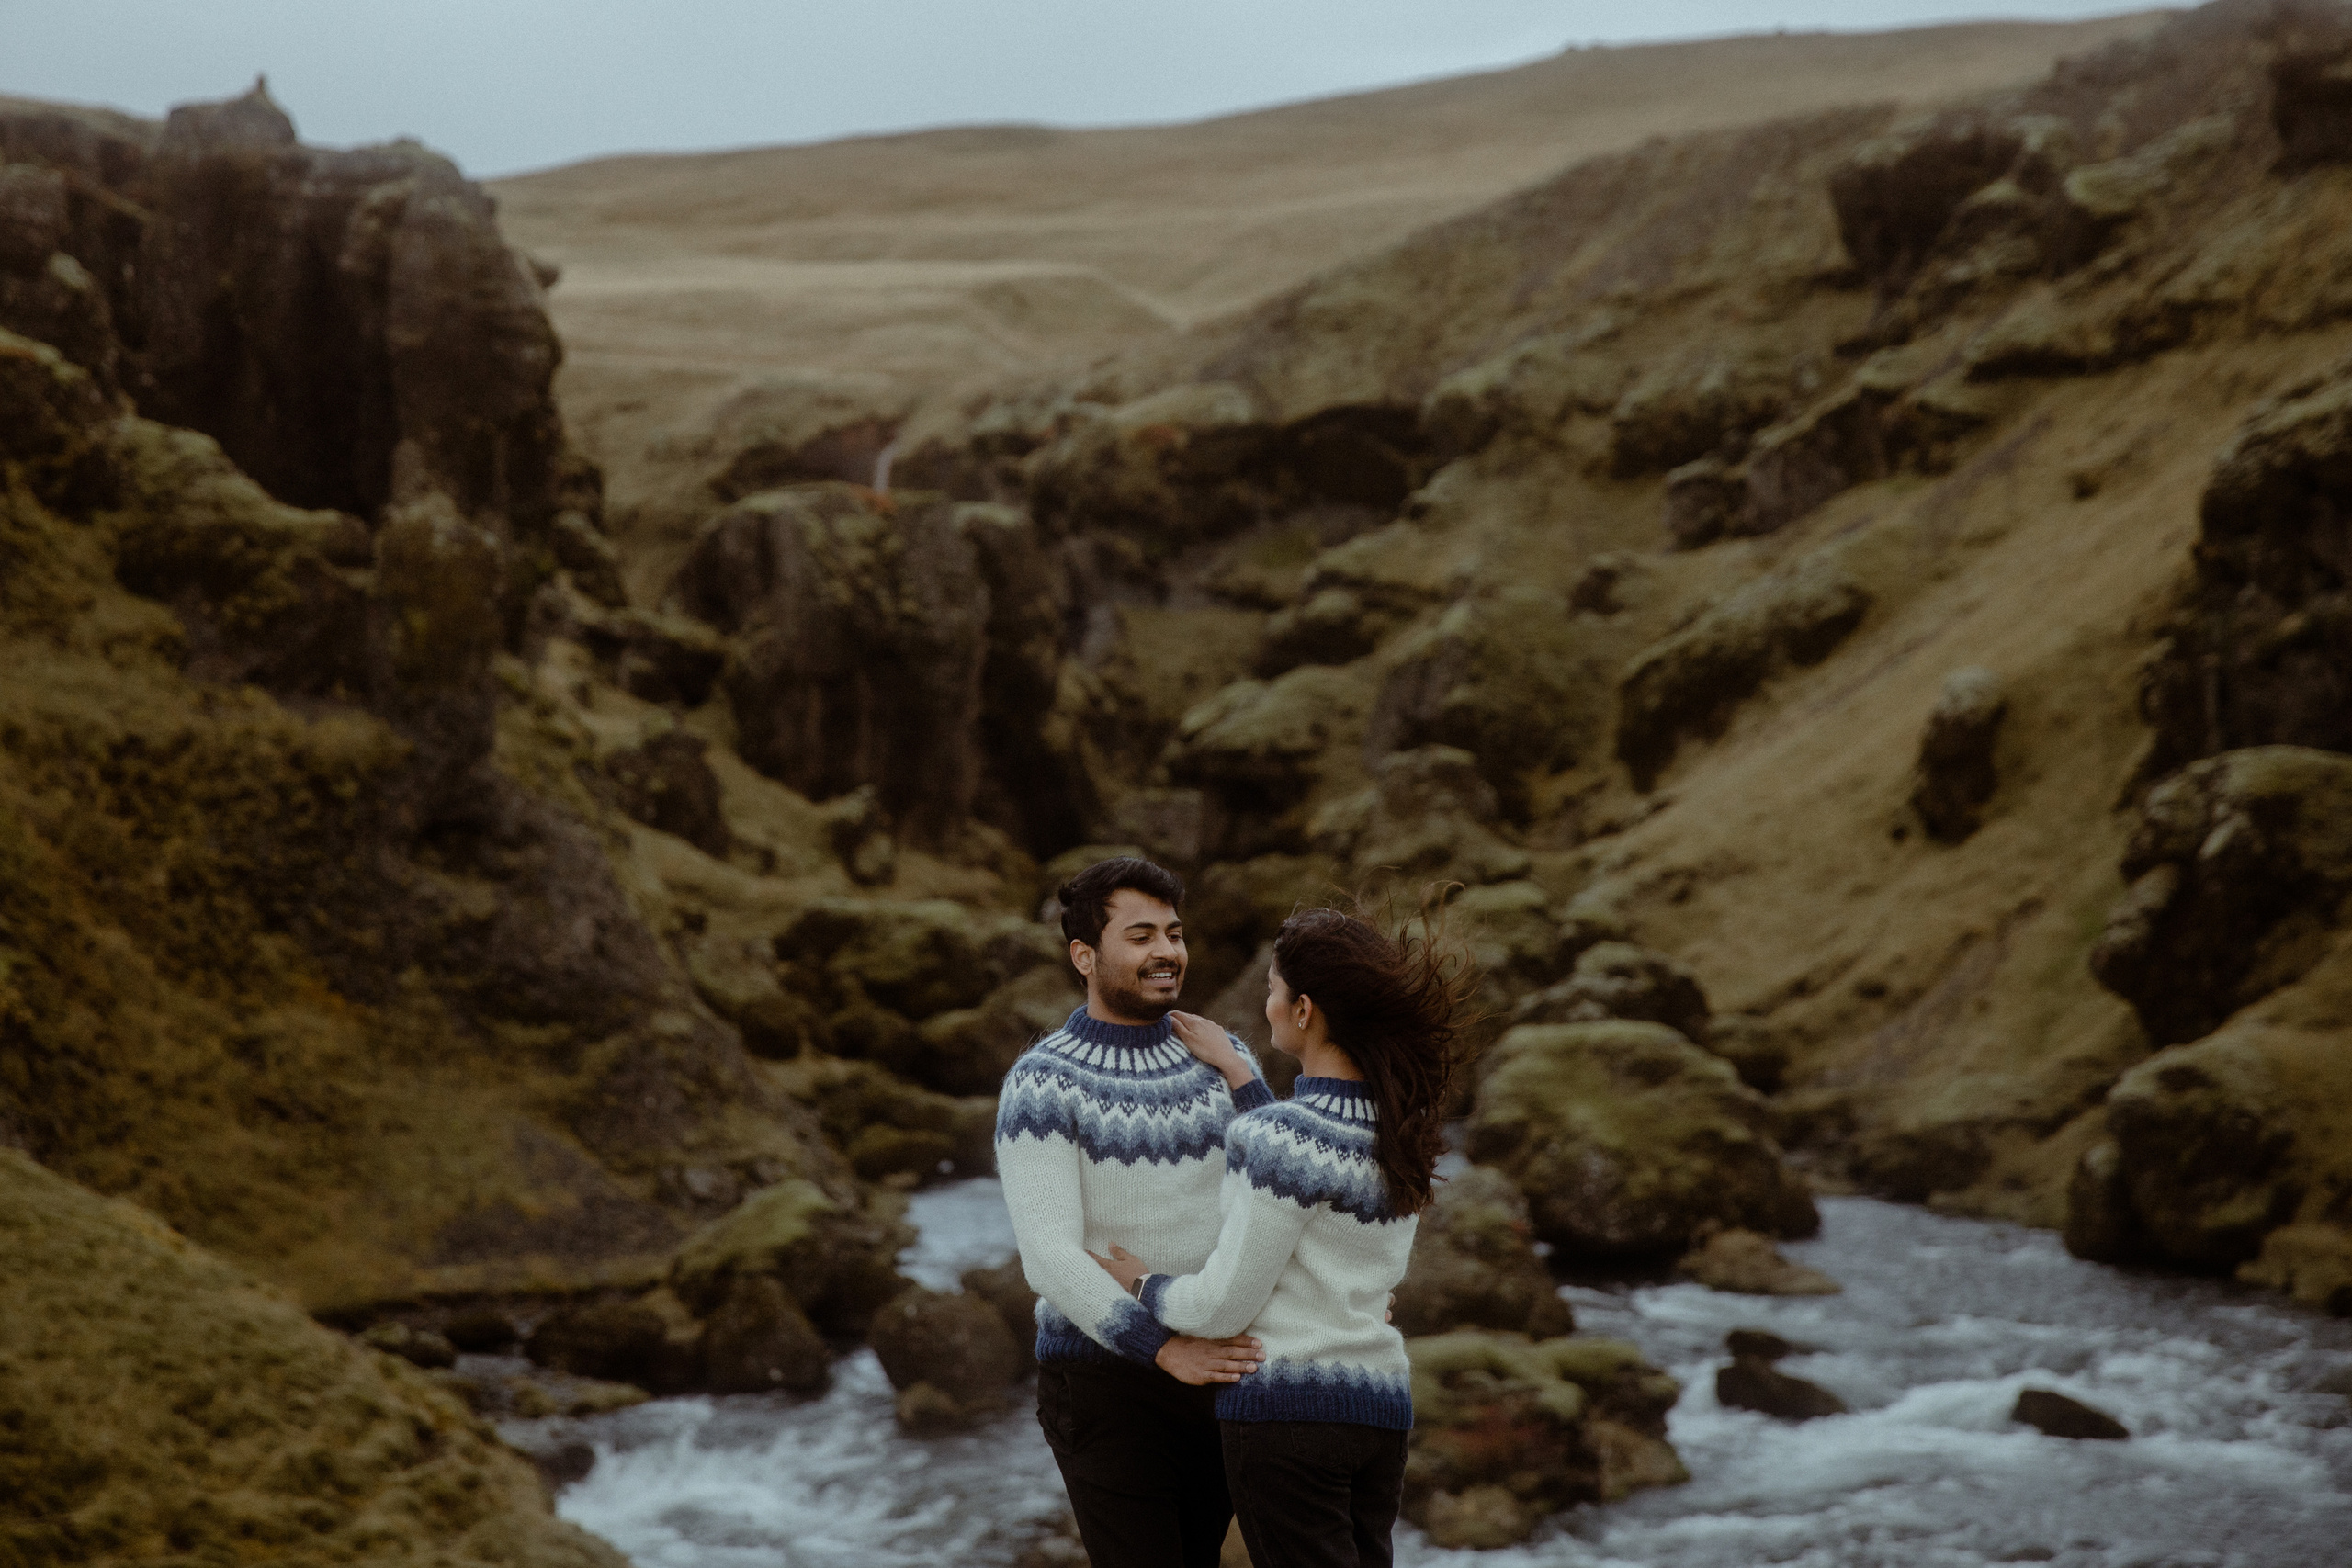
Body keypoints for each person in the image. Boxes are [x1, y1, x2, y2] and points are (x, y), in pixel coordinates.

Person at [1091, 904, 1466, 1568]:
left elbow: (1220, 1307)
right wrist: (1243, 1077)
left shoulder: (1280, 1140)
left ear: (1304, 1010)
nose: (1265, 1004)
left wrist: (1144, 1286)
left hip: (1286, 1419)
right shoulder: (1398, 1131)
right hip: (1379, 1411)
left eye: (1271, 989)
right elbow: (1316, 1209)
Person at [995, 856, 1272, 1568]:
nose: (1167, 953)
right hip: (1105, 1381)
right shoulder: (1043, 1082)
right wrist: (1163, 1348)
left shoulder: (1221, 1055)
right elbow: (1051, 1256)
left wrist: (1245, 1077)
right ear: (1084, 955)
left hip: (1218, 1369)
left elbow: (1279, 1192)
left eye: (1174, 934)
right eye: (1142, 935)